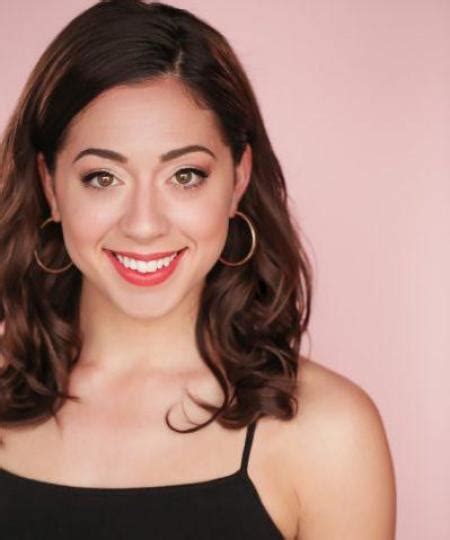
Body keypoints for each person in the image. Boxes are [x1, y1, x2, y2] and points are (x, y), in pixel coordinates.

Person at [0, 0, 396, 538]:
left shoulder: (329, 433)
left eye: (185, 175)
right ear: (50, 185)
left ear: (238, 180)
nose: (144, 225)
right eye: (102, 177)